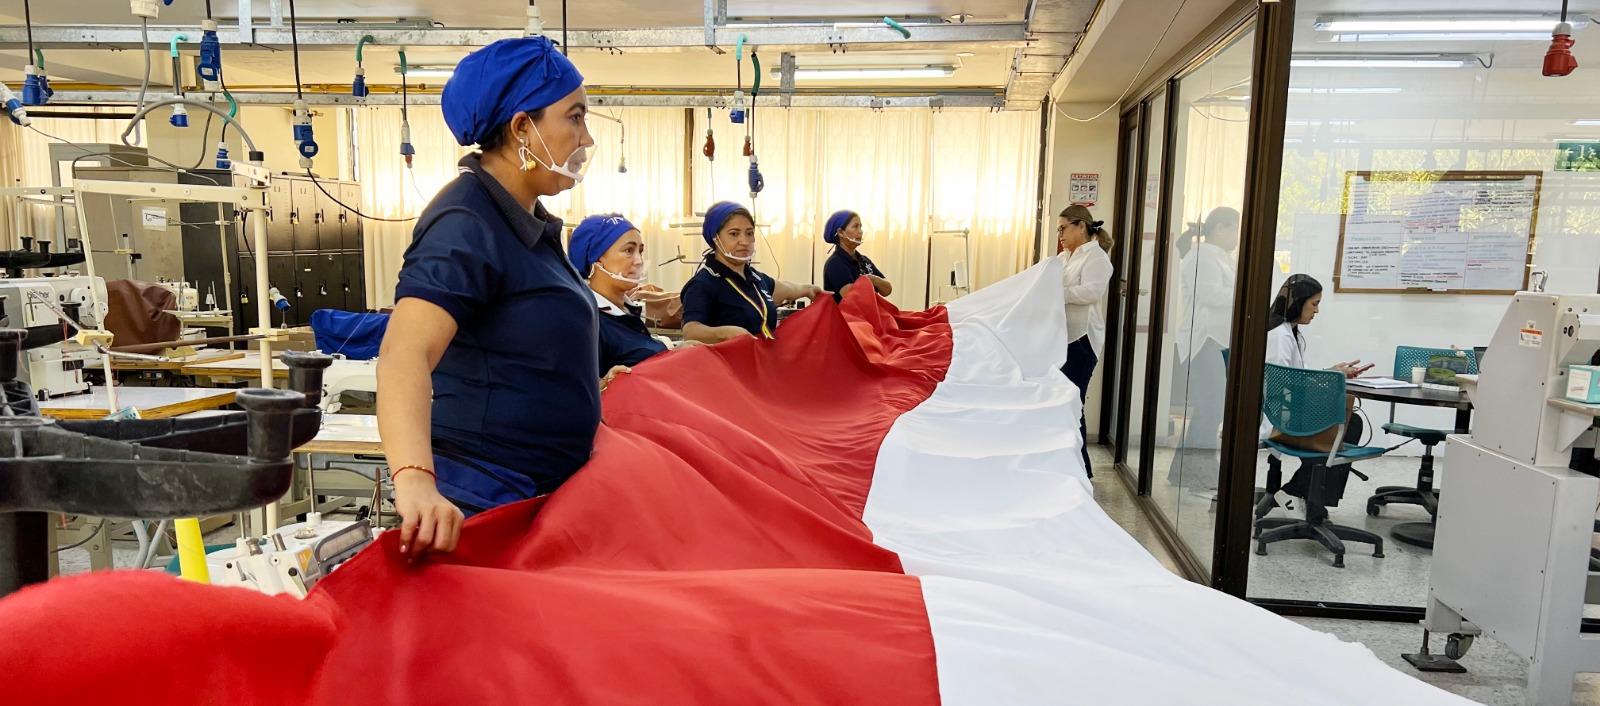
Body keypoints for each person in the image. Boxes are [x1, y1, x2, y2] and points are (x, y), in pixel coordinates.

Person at [377, 36, 598, 559]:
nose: (585, 137)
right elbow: (403, 354)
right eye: (574, 117)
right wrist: (414, 480)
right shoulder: (466, 222)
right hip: (485, 498)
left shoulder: (526, 222)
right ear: (523, 128)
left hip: (535, 493)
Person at [567, 213, 696, 375]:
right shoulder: (588, 322)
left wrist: (674, 351)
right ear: (597, 259)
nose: (639, 261)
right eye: (629, 250)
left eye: (640, 251)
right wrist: (604, 384)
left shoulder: (628, 313)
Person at [680, 201, 824, 343]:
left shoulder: (755, 279)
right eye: (734, 234)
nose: (744, 241)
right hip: (726, 364)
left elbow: (787, 289)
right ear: (715, 238)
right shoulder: (703, 284)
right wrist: (726, 333)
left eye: (749, 233)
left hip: (762, 361)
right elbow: (691, 331)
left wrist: (808, 289)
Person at [1056, 205, 1114, 477]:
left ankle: (1081, 472)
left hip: (1082, 341)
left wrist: (1058, 292)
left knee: (1071, 402)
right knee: (1064, 402)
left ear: (1081, 226)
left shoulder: (1096, 258)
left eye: (1063, 228)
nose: (1061, 234)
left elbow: (1091, 292)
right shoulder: (1066, 257)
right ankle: (1073, 468)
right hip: (1064, 338)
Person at [821, 210, 892, 300]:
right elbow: (852, 298)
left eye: (860, 227)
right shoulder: (835, 263)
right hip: (846, 314)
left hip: (871, 312)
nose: (860, 231)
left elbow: (887, 290)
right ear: (840, 233)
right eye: (855, 227)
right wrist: (867, 281)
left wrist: (873, 279)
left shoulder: (863, 260)